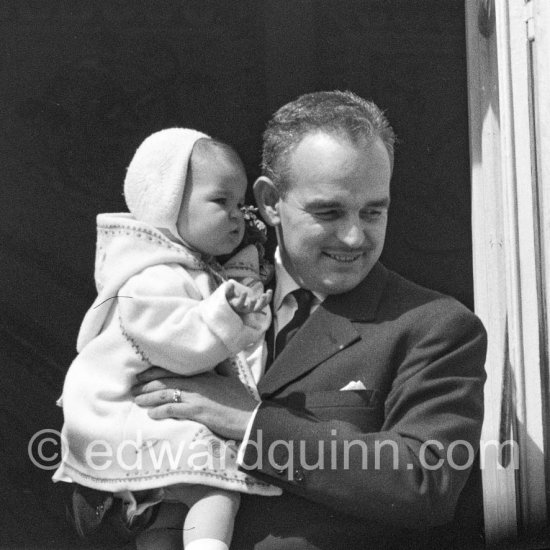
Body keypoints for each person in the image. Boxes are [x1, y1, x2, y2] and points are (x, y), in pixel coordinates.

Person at [130, 90, 487, 549]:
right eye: (329, 211)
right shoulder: (185, 301)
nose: (355, 235)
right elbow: (87, 496)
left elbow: (424, 480)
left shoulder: (434, 326)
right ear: (270, 201)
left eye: (374, 211)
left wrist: (252, 423)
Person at [53, 128, 281, 550]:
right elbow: (179, 344)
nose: (236, 215)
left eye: (239, 203)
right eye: (221, 201)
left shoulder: (193, 270)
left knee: (170, 514)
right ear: (168, 201)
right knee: (218, 488)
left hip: (154, 421)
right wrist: (230, 314)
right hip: (127, 418)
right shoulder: (150, 274)